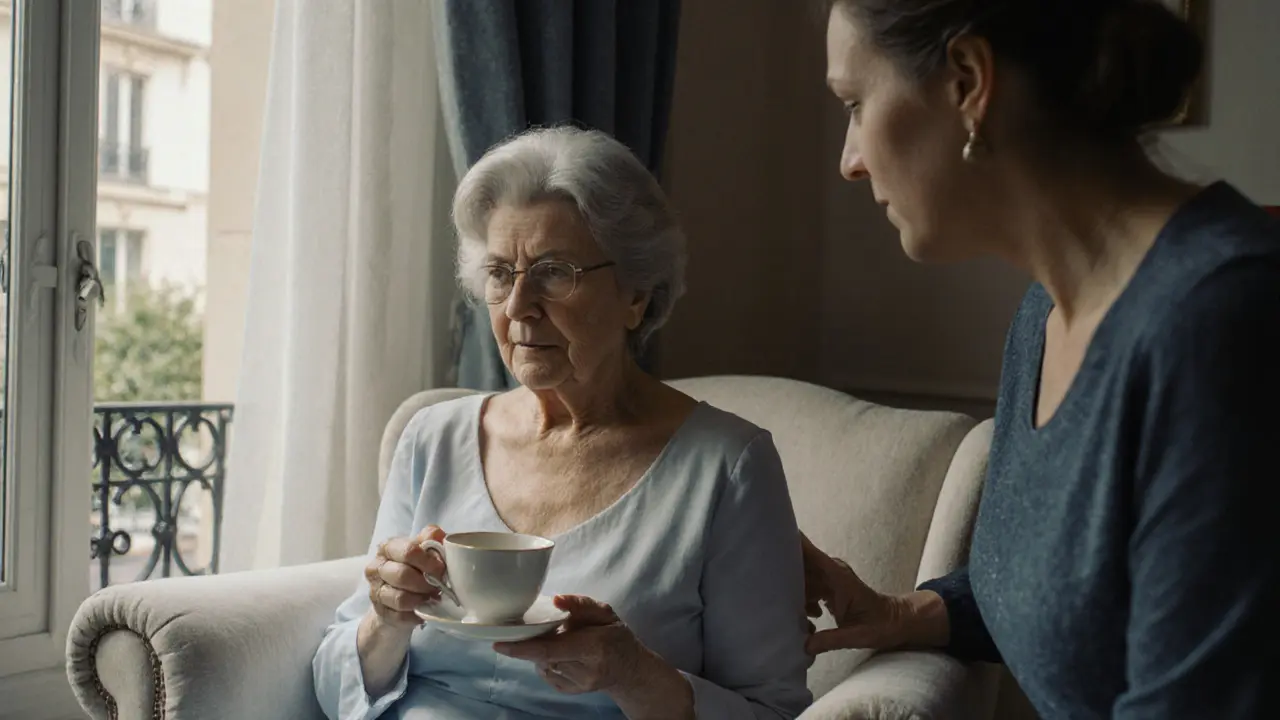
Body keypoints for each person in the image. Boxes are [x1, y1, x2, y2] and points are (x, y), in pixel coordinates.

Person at [802, 0, 1280, 717]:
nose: (849, 161)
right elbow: (1079, 590)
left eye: (855, 102)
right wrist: (911, 613)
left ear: (968, 81)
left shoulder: (1219, 325)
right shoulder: (1042, 315)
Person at [312, 126, 813, 720]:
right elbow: (335, 681)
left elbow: (774, 712)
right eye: (500, 273)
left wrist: (635, 675)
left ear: (637, 295)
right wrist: (387, 618)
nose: (519, 306)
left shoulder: (727, 467)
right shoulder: (433, 438)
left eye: (553, 272)